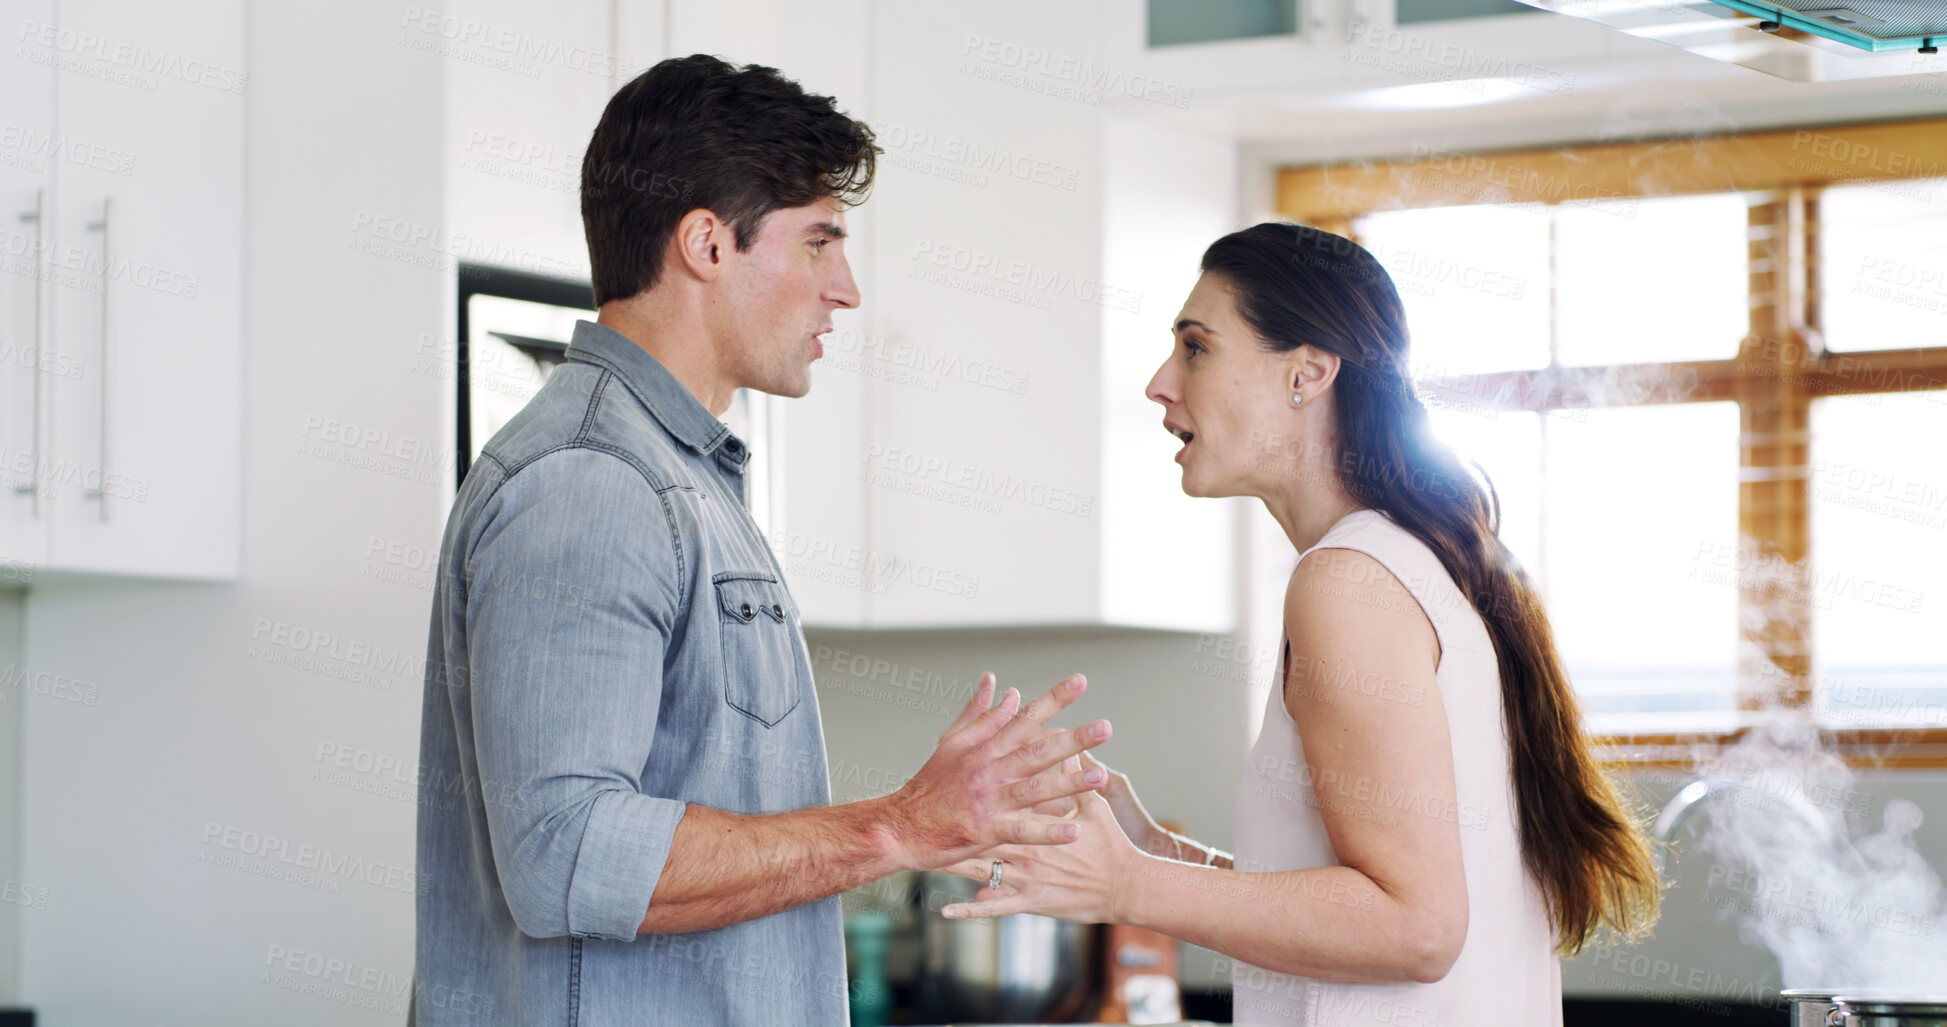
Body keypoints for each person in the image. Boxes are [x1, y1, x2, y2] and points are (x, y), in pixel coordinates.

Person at [409, 55, 1112, 1026]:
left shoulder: (680, 478)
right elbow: (565, 855)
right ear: (706, 243)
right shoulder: (593, 484)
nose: (846, 289)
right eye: (819, 242)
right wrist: (899, 826)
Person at [938, 223, 1662, 1026]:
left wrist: (1126, 885)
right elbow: (1362, 911)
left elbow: (1416, 929)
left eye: (1195, 347)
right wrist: (1153, 852)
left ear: (1307, 372)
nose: (1158, 383)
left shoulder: (1346, 581)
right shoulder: (1420, 558)